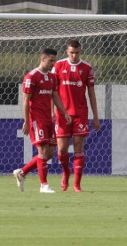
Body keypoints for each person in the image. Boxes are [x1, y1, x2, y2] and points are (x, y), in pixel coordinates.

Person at [12, 48, 72, 193]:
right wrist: (26, 121)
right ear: (43, 59)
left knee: (49, 154)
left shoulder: (52, 77)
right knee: (43, 152)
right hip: (36, 119)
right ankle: (43, 185)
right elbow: (26, 100)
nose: (54, 63)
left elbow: (55, 96)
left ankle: (22, 172)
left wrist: (64, 113)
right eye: (51, 60)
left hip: (49, 119)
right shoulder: (31, 76)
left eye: (55, 60)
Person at [54, 39, 100, 192]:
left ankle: (77, 184)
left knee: (79, 147)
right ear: (67, 51)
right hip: (62, 114)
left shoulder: (87, 68)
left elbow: (91, 93)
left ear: (81, 51)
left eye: (77, 52)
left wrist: (95, 116)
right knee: (62, 150)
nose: (74, 55)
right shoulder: (58, 66)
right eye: (71, 52)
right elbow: (52, 92)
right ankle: (66, 174)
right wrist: (51, 112)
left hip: (80, 113)